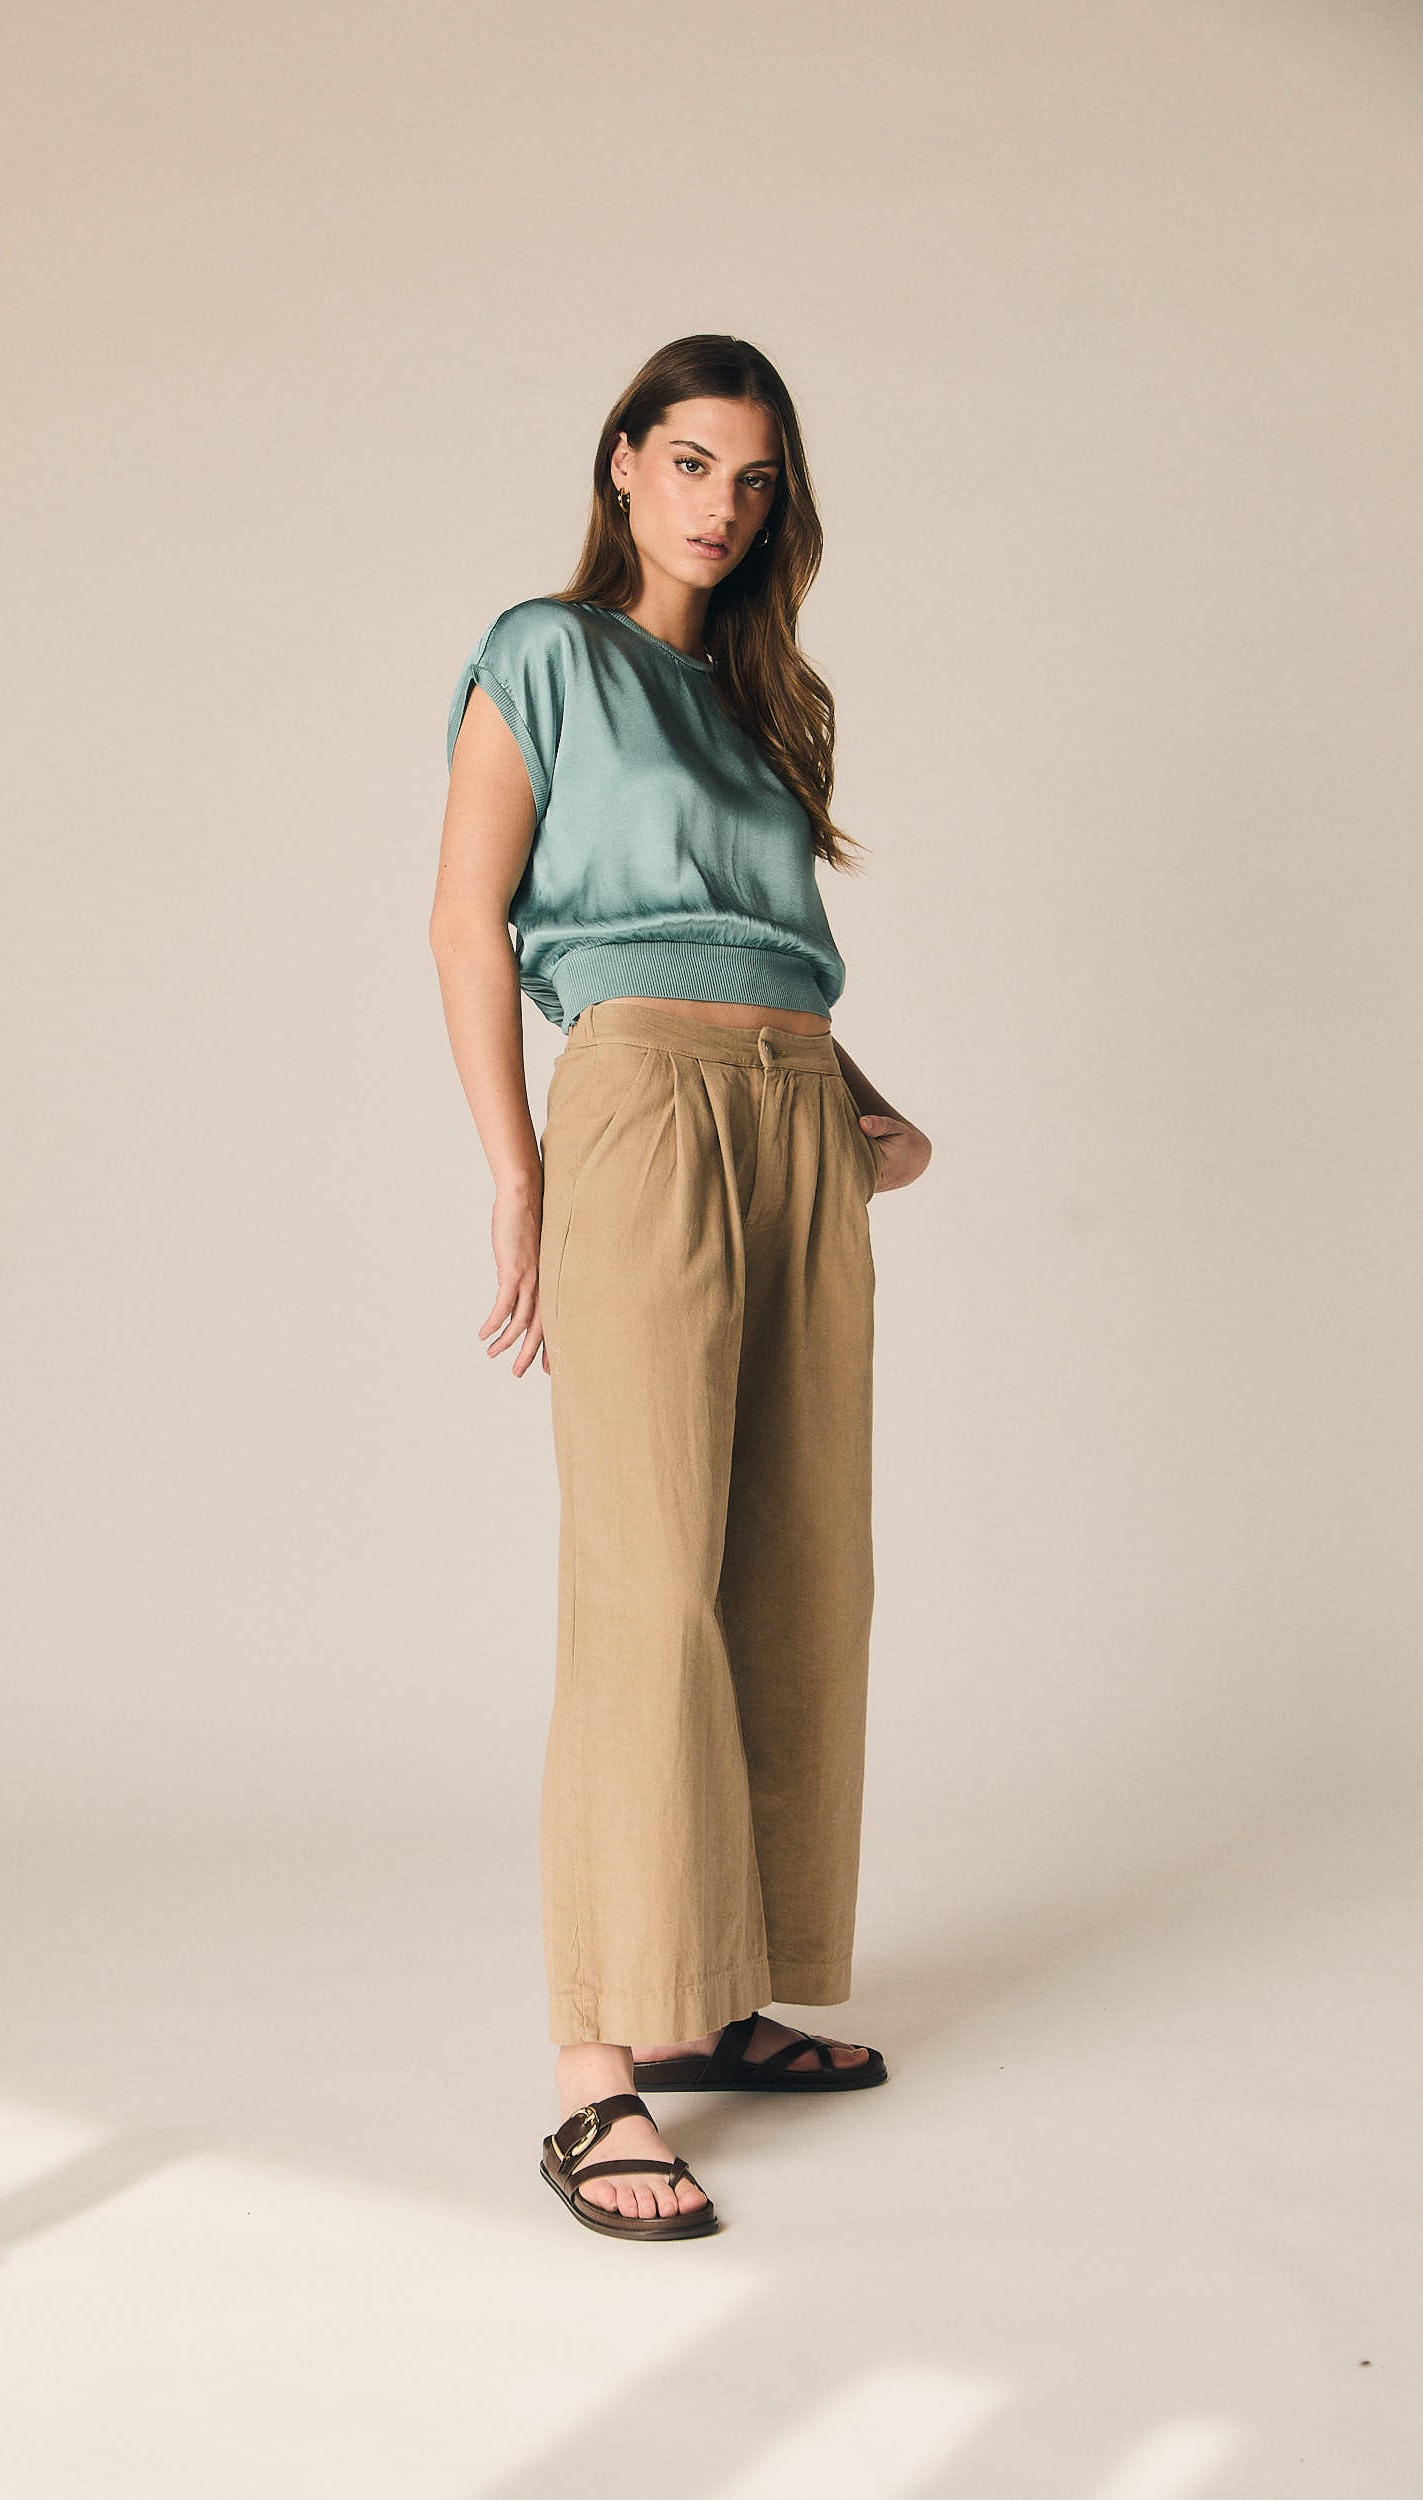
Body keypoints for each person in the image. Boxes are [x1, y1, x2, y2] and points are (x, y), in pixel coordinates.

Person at [430, 334, 933, 2241]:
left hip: (799, 1112)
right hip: (638, 1106)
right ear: (624, 461)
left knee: (795, 1568)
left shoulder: (764, 704)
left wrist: (864, 1104)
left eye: (759, 477)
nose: (726, 503)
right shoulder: (544, 653)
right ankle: (596, 2072)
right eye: (697, 461)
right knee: (646, 1583)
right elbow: (465, 918)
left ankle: (717, 1992)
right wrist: (518, 1174)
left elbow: (766, 944)